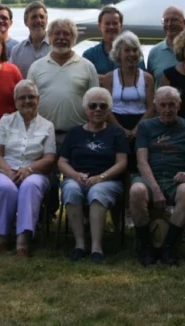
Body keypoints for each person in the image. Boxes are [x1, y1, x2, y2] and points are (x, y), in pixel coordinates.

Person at [130, 86, 185, 266]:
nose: (167, 109)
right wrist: (155, 190)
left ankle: (168, 246)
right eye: (163, 105)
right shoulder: (146, 127)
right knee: (136, 190)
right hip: (150, 177)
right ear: (156, 107)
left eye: (172, 104)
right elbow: (142, 161)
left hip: (177, 179)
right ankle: (147, 246)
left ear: (179, 106)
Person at [0, 80, 56, 258]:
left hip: (35, 173)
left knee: (29, 186)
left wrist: (29, 170)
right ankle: (4, 235)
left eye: (31, 97)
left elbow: (49, 157)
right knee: (6, 187)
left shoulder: (47, 126)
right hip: (3, 171)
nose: (27, 101)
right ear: (15, 101)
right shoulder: (5, 121)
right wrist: (9, 172)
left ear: (38, 99)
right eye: (22, 98)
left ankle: (22, 240)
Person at [57, 87, 129, 263]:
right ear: (86, 109)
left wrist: (102, 177)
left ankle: (97, 248)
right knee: (72, 190)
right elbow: (62, 162)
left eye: (103, 106)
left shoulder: (116, 132)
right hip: (77, 178)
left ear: (109, 110)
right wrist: (74, 175)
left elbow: (122, 162)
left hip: (108, 180)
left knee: (97, 193)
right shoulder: (74, 133)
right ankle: (80, 245)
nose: (98, 109)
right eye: (93, 105)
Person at [27, 18, 100, 140]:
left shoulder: (88, 67)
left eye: (66, 34)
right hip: (41, 136)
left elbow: (96, 103)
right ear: (49, 37)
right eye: (57, 33)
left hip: (78, 135)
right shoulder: (36, 67)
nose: (61, 37)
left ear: (74, 38)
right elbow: (28, 103)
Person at [102, 31, 155, 142]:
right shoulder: (109, 78)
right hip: (115, 125)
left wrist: (137, 129)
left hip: (141, 125)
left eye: (135, 50)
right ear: (118, 54)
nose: (132, 54)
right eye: (127, 50)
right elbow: (106, 108)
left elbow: (151, 107)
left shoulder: (147, 78)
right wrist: (120, 129)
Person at [83, 6, 126, 83]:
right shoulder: (89, 55)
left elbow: (140, 79)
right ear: (99, 26)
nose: (111, 27)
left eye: (115, 23)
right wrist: (123, 78)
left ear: (121, 26)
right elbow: (85, 79)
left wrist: (99, 77)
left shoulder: (134, 53)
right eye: (107, 23)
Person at [9, 1, 50, 78]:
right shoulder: (16, 51)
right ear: (25, 21)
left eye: (41, 17)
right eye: (34, 17)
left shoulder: (56, 48)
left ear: (46, 20)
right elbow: (12, 78)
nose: (38, 21)